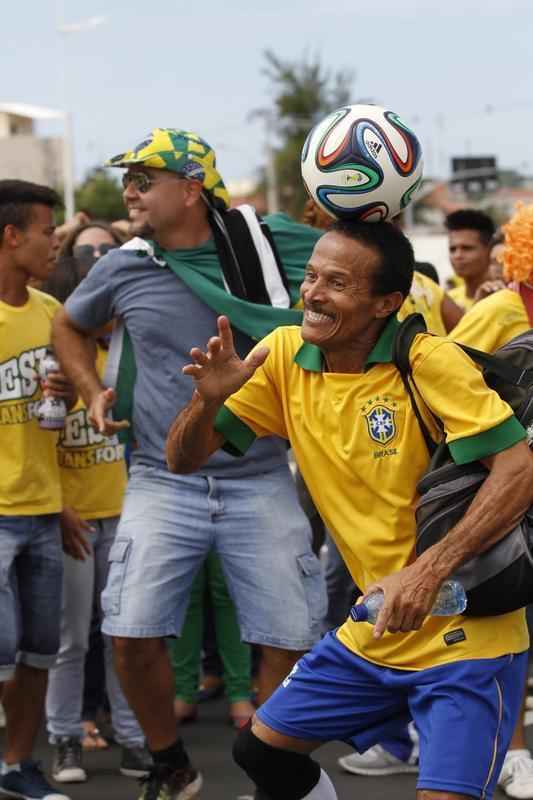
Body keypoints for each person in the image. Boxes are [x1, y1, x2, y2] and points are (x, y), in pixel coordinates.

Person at [166, 218, 533, 800]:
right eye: (311, 277)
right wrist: (205, 402)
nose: (313, 293)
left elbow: (519, 471)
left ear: (387, 302)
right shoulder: (284, 355)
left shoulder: (430, 361)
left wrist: (428, 570)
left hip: (468, 636)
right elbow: (182, 459)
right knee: (260, 751)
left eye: (337, 283)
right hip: (375, 626)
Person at [52, 128, 326, 800]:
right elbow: (67, 324)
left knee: (288, 637)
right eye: (128, 180)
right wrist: (92, 391)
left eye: (145, 178)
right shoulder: (124, 263)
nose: (130, 192)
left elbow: (362, 258)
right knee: (131, 633)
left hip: (261, 474)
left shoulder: (268, 241)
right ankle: (169, 760)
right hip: (158, 478)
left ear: (192, 188)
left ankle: (269, 769)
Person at [40, 250, 150, 785]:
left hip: (128, 514)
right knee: (71, 638)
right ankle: (64, 738)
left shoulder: (128, 354)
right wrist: (60, 508)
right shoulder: (56, 364)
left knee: (124, 634)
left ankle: (133, 738)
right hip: (75, 520)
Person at [0, 179, 76, 800]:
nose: (54, 243)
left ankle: (17, 767)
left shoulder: (52, 314)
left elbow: (65, 411)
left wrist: (69, 396)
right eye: (47, 231)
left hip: (45, 509)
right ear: (11, 235)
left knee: (35, 654)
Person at [445, 208, 495, 310]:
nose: (458, 255)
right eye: (452, 249)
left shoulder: (506, 297)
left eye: (467, 248)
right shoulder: (447, 300)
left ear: (489, 250)